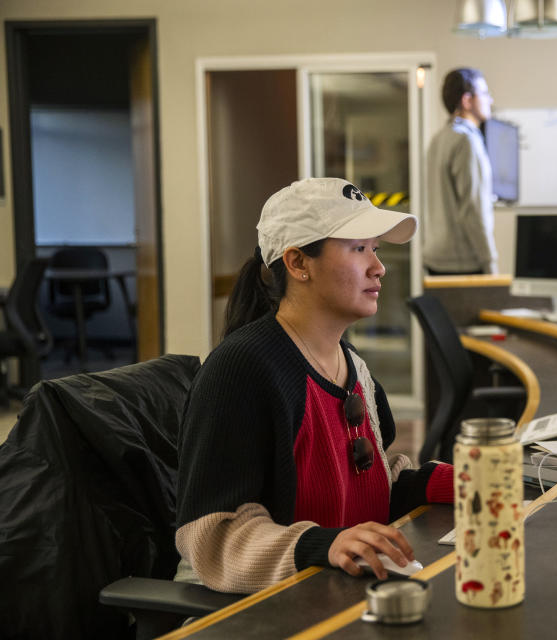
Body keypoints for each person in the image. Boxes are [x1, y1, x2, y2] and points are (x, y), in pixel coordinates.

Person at [175, 177, 453, 593]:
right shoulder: (243, 368)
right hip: (265, 609)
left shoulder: (353, 365)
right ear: (298, 263)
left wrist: (461, 481)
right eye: (359, 248)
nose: (378, 267)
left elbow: (372, 493)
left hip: (341, 591)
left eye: (375, 249)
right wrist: (322, 545)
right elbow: (214, 536)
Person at [423, 67, 498, 275]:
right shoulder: (467, 141)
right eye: (484, 93)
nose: (490, 100)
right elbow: (473, 209)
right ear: (467, 101)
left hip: (436, 258)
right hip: (462, 263)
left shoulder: (439, 139)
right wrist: (490, 260)